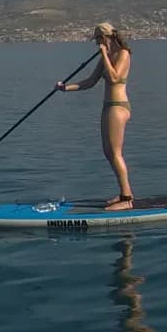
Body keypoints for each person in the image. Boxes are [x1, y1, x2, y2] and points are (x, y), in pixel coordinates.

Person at [57, 21, 134, 210]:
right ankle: (123, 193)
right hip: (107, 107)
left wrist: (103, 55)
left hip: (118, 107)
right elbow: (90, 82)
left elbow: (115, 77)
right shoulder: (105, 57)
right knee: (108, 153)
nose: (96, 43)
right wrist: (65, 88)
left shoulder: (123, 54)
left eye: (98, 39)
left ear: (106, 37)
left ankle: (127, 199)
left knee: (115, 153)